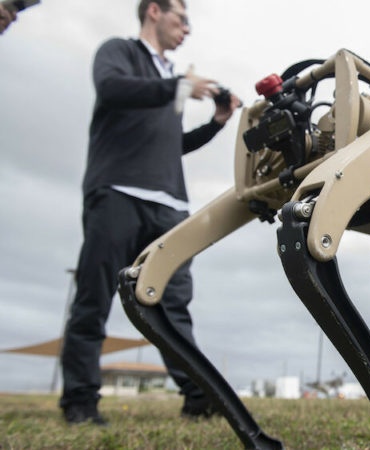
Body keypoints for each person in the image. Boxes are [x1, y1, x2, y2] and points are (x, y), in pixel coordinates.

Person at [60, 0, 242, 425]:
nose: (187, 29)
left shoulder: (169, 80)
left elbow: (171, 145)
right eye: (182, 18)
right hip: (118, 193)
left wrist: (216, 122)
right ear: (154, 11)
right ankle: (80, 401)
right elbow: (111, 89)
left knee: (172, 305)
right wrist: (178, 86)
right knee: (94, 296)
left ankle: (198, 397)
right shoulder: (118, 52)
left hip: (170, 206)